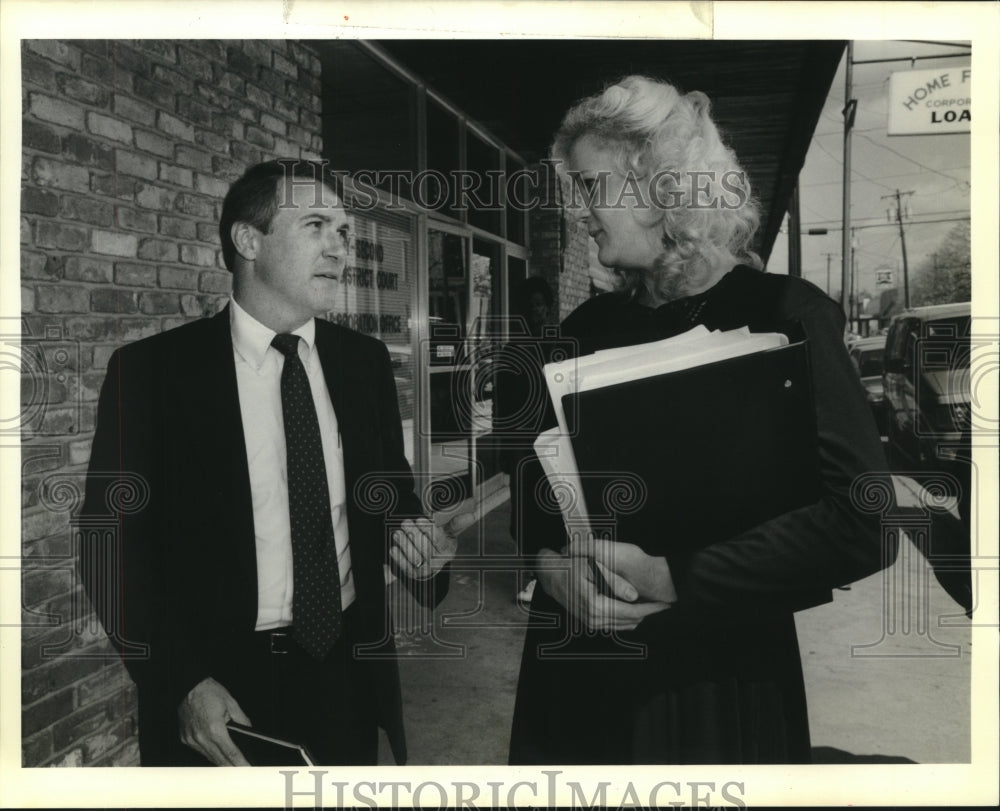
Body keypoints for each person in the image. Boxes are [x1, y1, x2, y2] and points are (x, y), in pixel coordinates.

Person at [508, 76, 895, 764]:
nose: (580, 213)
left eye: (591, 186)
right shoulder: (581, 329)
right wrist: (550, 568)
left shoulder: (787, 315)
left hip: (716, 685)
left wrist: (676, 575)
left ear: (661, 184)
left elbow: (861, 525)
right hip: (578, 680)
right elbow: (533, 498)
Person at [79, 160, 455, 767]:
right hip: (217, 689)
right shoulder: (151, 374)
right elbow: (112, 548)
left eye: (344, 231)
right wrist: (181, 684)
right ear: (248, 241)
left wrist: (421, 549)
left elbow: (390, 501)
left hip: (343, 669)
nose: (340, 248)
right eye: (315, 225)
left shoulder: (363, 364)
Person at [493, 277, 556, 604]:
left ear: (548, 307)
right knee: (523, 514)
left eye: (540, 304)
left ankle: (546, 575)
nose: (536, 311)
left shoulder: (557, 345)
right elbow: (502, 406)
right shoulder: (512, 350)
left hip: (554, 443)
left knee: (552, 509)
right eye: (530, 306)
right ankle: (533, 573)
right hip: (522, 444)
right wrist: (505, 448)